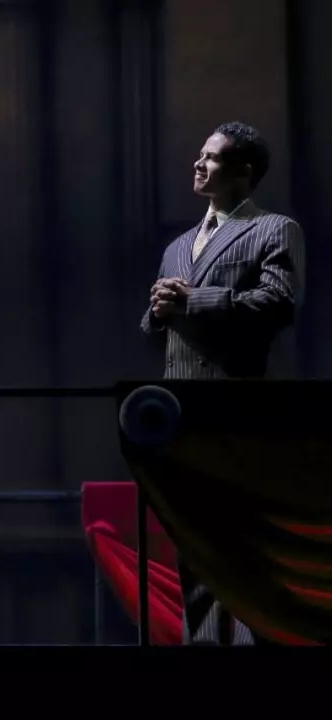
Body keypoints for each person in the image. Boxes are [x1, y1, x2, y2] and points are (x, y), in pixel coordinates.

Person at [141, 121, 305, 644]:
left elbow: (278, 303)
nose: (198, 163)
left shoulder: (273, 229)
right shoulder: (178, 246)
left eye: (211, 157)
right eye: (200, 153)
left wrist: (194, 299)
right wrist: (158, 312)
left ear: (243, 171)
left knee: (241, 546)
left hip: (237, 414)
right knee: (194, 547)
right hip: (180, 418)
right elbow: (160, 335)